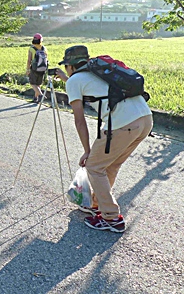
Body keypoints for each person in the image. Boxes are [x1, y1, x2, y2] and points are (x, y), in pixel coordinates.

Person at [56, 45, 152, 233]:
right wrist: (66, 79)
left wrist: (87, 151)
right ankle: (95, 203)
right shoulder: (99, 72)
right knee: (111, 165)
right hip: (145, 119)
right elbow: (90, 91)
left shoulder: (75, 80)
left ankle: (111, 217)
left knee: (93, 166)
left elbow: (79, 120)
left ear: (71, 66)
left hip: (123, 123)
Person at [26, 33, 48, 103]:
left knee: (32, 83)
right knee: (38, 84)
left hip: (34, 68)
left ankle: (41, 95)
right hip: (42, 68)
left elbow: (29, 60)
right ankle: (36, 98)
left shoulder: (31, 49)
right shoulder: (44, 48)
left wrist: (28, 69)